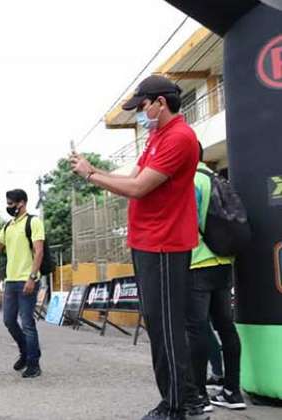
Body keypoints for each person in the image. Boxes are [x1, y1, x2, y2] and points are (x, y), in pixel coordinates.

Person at [71, 75, 203, 420]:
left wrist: (89, 176)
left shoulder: (179, 138)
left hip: (164, 244)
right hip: (148, 241)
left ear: (160, 102)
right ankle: (186, 399)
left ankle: (176, 406)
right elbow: (132, 178)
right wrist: (93, 170)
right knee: (159, 326)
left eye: (142, 107)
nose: (139, 114)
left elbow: (139, 188)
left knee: (165, 330)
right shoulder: (158, 136)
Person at [186, 148, 245, 411]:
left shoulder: (189, 181)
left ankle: (199, 395)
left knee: (196, 330)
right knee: (226, 327)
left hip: (197, 262)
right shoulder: (216, 178)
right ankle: (233, 391)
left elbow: (186, 224)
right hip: (224, 262)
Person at [0, 189, 44, 379]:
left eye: (11, 203)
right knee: (9, 321)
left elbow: (39, 251)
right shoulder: (8, 226)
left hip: (27, 280)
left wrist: (32, 277)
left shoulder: (33, 222)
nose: (9, 207)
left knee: (27, 322)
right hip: (10, 281)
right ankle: (26, 352)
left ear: (22, 203)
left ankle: (33, 364)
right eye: (8, 203)